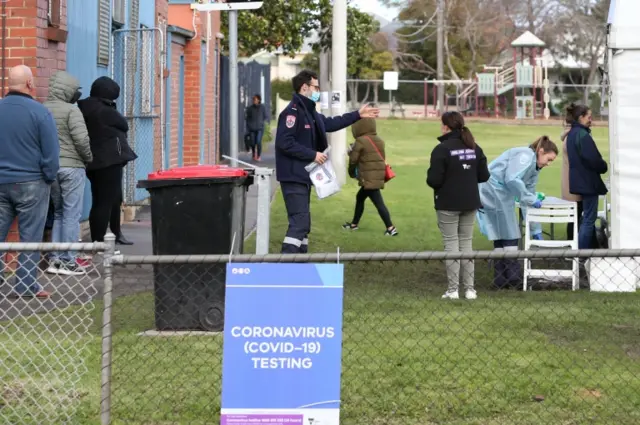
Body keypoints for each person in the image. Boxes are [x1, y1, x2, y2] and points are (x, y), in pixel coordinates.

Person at [275, 69, 379, 254]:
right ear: (304, 87)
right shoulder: (292, 113)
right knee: (300, 223)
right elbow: (284, 143)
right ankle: (287, 267)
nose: (318, 90)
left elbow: (331, 123)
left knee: (304, 224)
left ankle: (300, 265)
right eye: (316, 86)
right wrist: (312, 154)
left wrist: (357, 115)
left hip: (304, 177)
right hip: (293, 177)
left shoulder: (310, 112)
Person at [0, 65, 59, 298]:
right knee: (30, 236)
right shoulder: (40, 112)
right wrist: (48, 177)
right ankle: (25, 286)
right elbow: (51, 154)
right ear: (30, 84)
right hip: (31, 182)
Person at [477, 136, 558, 289]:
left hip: (497, 192)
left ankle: (501, 280)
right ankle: (513, 279)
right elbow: (512, 179)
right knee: (510, 234)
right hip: (493, 190)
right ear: (541, 151)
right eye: (549, 159)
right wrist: (529, 198)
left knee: (501, 234)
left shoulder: (534, 168)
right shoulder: (526, 156)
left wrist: (536, 229)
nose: (548, 164)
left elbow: (528, 197)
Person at [427, 112, 490, 300]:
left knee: (451, 244)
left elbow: (433, 179)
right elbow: (484, 175)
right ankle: (470, 289)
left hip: (448, 203)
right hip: (470, 201)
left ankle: (453, 290)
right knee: (466, 244)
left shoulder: (442, 149)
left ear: (446, 126)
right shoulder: (474, 147)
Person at [43, 71, 93, 276]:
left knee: (59, 213)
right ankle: (69, 260)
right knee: (72, 214)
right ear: (68, 90)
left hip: (51, 168)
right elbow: (81, 140)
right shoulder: (72, 111)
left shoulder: (42, 109)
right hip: (72, 167)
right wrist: (88, 158)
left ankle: (55, 259)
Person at [78, 76, 137, 243]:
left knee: (113, 198)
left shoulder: (86, 107)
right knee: (104, 201)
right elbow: (123, 124)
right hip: (107, 161)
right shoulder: (103, 110)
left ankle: (115, 234)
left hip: (100, 161)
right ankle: (99, 240)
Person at [343, 118, 397, 236]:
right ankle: (354, 224)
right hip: (377, 175)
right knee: (360, 197)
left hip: (368, 177)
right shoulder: (379, 140)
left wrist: (351, 169)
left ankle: (391, 228)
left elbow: (353, 160)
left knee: (378, 202)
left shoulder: (360, 141)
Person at [565, 103, 608, 250]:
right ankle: (582, 256)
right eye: (589, 117)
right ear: (581, 117)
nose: (591, 120)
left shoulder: (572, 133)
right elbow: (592, 159)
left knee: (585, 219)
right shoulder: (582, 134)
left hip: (579, 182)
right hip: (588, 183)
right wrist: (603, 166)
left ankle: (581, 254)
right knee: (589, 220)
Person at [560, 121, 582, 242]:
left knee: (574, 216)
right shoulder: (572, 138)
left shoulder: (567, 137)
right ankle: (573, 244)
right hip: (574, 183)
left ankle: (572, 243)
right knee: (576, 216)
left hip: (569, 183)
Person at [245, 94, 268, 161]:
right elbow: (247, 118)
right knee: (252, 142)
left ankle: (258, 156)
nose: (254, 101)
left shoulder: (262, 107)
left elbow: (265, 116)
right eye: (253, 99)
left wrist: (261, 123)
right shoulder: (250, 108)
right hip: (252, 129)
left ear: (259, 100)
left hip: (260, 129)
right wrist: (249, 125)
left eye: (255, 99)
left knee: (258, 142)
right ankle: (253, 154)